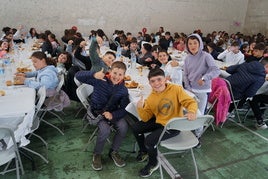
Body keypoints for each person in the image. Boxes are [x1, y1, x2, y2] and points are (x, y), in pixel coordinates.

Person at [131, 68, 198, 177]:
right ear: (149, 83)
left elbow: (190, 102)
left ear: (165, 79)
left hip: (173, 126)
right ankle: (144, 152)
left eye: (159, 79)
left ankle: (153, 163)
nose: (156, 83)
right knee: (135, 128)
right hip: (160, 121)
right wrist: (140, 108)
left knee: (149, 141)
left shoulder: (176, 89)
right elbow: (146, 118)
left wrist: (192, 111)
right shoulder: (151, 97)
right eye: (153, 81)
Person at [75, 61, 129, 171]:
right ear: (110, 71)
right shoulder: (100, 80)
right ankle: (97, 154)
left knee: (123, 126)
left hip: (112, 113)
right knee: (105, 130)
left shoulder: (123, 90)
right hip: (97, 112)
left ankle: (114, 151)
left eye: (120, 74)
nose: (117, 77)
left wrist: (113, 115)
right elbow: (77, 76)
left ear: (124, 76)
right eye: (115, 73)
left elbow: (124, 109)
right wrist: (93, 74)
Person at [183, 33, 220, 139]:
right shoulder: (187, 58)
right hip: (190, 91)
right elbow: (185, 75)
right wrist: (188, 88)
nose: (192, 45)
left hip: (203, 91)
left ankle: (198, 136)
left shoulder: (206, 56)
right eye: (190, 43)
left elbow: (216, 70)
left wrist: (204, 78)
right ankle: (189, 130)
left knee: (199, 114)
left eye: (195, 43)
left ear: (200, 44)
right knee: (189, 112)